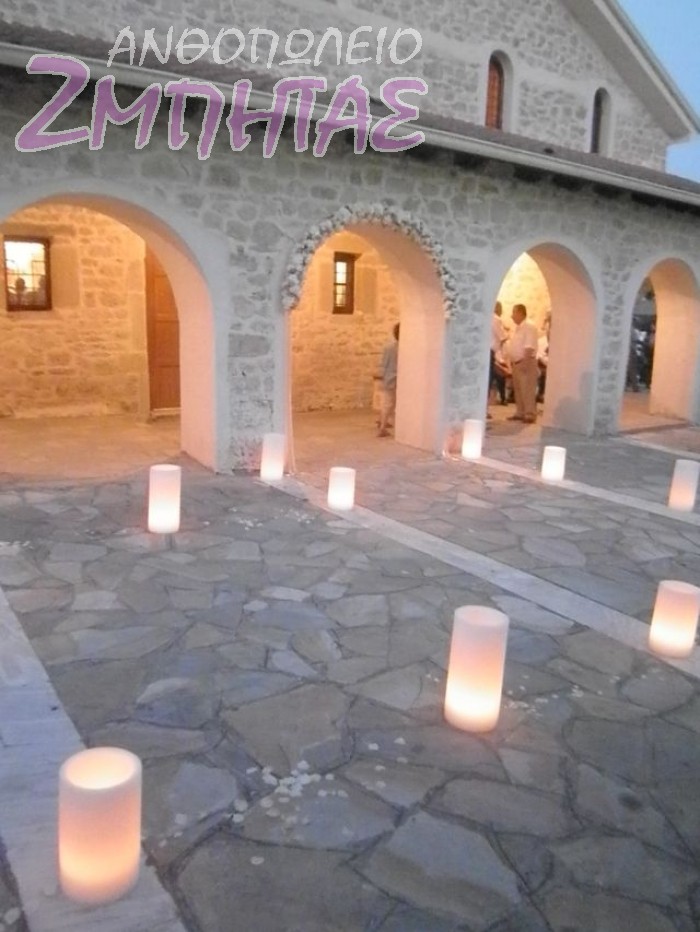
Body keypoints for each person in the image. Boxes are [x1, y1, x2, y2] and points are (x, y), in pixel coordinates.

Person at [508, 303, 538, 423]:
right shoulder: (519, 328)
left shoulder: (529, 326)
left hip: (526, 362)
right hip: (517, 363)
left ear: (520, 313)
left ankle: (529, 413)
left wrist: (525, 362)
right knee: (519, 389)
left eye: (514, 312)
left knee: (527, 388)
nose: (512, 316)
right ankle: (520, 412)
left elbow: (529, 346)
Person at [378, 323, 399, 437]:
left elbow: (383, 364)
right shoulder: (402, 349)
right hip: (397, 379)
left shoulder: (388, 347)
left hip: (388, 378)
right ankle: (383, 426)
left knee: (386, 402)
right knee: (392, 403)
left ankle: (383, 422)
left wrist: (382, 376)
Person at [490, 302, 509, 406]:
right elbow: (502, 337)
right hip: (492, 352)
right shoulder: (496, 319)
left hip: (491, 352)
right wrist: (506, 332)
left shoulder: (488, 317)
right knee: (491, 379)